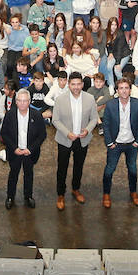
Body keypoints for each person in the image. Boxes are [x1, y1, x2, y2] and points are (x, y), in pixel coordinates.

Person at [51, 71, 97, 210]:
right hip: (65, 139)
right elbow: (55, 120)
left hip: (82, 139)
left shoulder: (90, 98)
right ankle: (60, 194)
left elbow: (94, 118)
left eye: (78, 84)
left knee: (79, 166)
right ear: (69, 85)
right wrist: (67, 133)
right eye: (73, 84)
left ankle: (76, 189)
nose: (76, 87)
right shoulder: (60, 100)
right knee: (62, 167)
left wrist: (87, 130)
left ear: (82, 84)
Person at [101, 76, 138, 207]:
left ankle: (133, 192)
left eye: (126, 88)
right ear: (117, 91)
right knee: (109, 170)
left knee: (133, 170)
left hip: (132, 144)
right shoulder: (110, 105)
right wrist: (110, 143)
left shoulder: (137, 104)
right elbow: (106, 125)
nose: (124, 91)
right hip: (115, 144)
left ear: (130, 90)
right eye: (121, 88)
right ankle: (106, 194)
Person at [0, 88, 46, 208]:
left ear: (29, 101)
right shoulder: (10, 115)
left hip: (29, 152)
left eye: (25, 101)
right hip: (14, 152)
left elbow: (42, 135)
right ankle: (10, 196)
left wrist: (30, 149)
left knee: (29, 174)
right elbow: (4, 133)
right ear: (16, 101)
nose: (22, 103)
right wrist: (14, 148)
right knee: (13, 174)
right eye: (20, 100)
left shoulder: (36, 115)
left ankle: (28, 196)